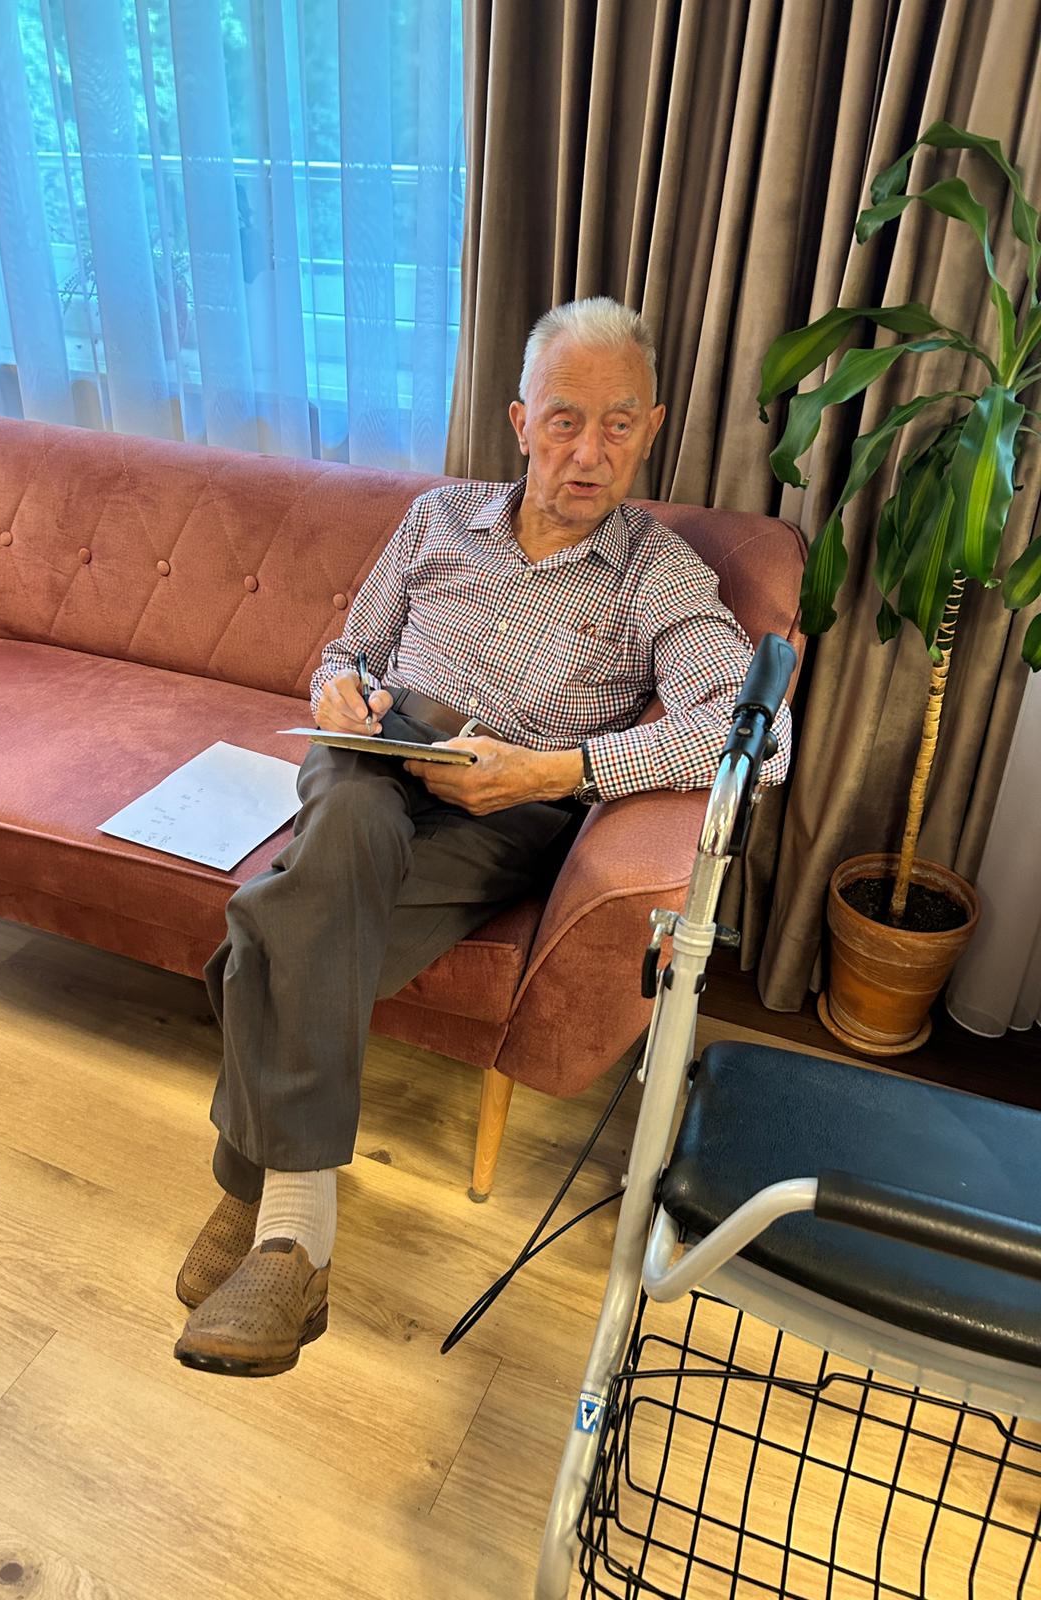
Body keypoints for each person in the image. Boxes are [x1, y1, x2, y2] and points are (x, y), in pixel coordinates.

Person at [173, 295, 791, 1379]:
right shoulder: (437, 518)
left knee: (272, 924)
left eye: (618, 424)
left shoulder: (661, 577)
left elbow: (760, 740)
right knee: (349, 812)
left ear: (651, 427)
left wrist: (557, 772)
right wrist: (337, 689)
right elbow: (350, 650)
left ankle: (251, 1179)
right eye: (564, 420)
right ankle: (294, 1236)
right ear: (520, 421)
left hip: (510, 806)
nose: (589, 452)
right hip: (372, 756)